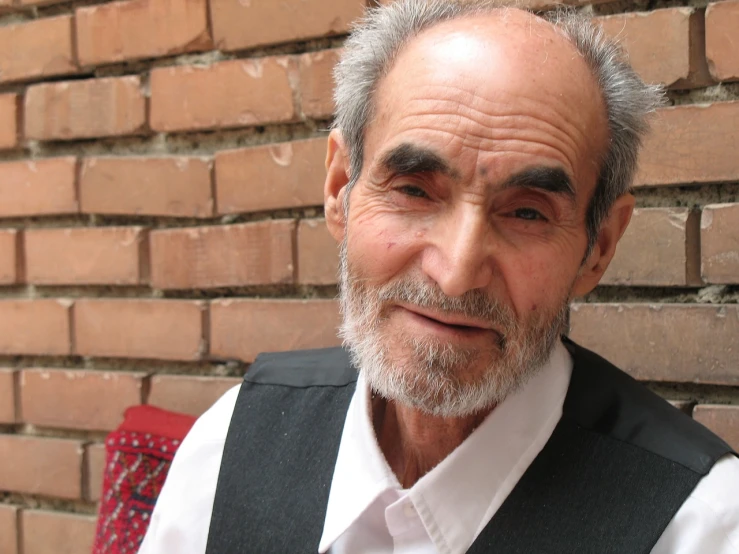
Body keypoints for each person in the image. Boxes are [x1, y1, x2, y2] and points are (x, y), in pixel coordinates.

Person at [139, 1, 739, 552]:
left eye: (527, 212)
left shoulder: (700, 526)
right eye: (414, 190)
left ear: (598, 247)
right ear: (339, 190)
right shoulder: (233, 444)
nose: (455, 275)